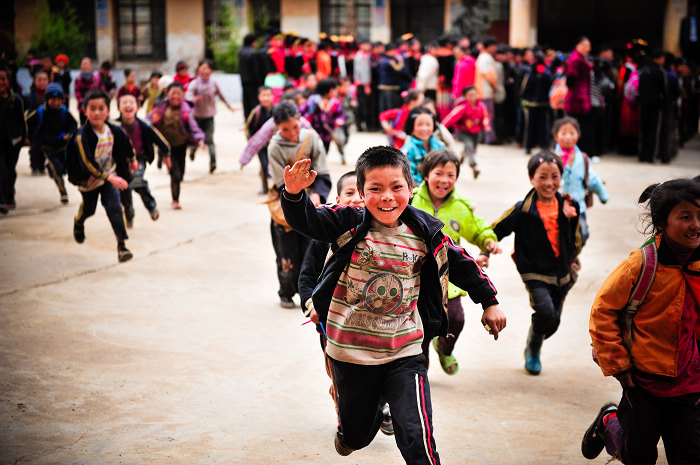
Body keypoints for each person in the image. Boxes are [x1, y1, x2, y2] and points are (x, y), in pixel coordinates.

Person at [280, 146, 506, 462]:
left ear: (410, 189)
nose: (387, 197)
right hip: (351, 354)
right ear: (361, 193)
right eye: (376, 189)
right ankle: (352, 430)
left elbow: (461, 263)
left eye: (396, 187)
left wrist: (489, 301)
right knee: (357, 435)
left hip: (405, 351)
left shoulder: (426, 232)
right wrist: (293, 194)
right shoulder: (347, 222)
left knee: (416, 434)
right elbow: (309, 221)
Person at [582, 178, 700, 464]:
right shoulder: (641, 265)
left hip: (690, 383)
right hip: (643, 383)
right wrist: (618, 363)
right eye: (685, 217)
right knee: (638, 455)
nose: (696, 224)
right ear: (661, 222)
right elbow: (603, 311)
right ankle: (609, 423)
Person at [410, 149, 501, 375]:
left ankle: (444, 348)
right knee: (421, 333)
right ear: (426, 175)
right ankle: (421, 373)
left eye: (451, 175)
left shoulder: (460, 207)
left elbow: (477, 229)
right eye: (438, 173)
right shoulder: (411, 200)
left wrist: (487, 242)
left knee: (456, 320)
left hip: (448, 280)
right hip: (417, 280)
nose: (444, 180)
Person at [490, 152, 581, 375]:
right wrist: (486, 250)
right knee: (545, 313)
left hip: (562, 271)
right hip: (534, 271)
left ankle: (535, 336)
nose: (549, 183)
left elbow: (576, 237)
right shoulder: (522, 209)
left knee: (553, 321)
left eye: (554, 176)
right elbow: (494, 230)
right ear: (531, 178)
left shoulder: (568, 205)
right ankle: (533, 348)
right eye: (542, 177)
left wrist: (573, 257)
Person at [267, 101, 331, 308]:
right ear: (278, 127)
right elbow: (281, 183)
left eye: (295, 127)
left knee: (310, 249)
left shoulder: (312, 138)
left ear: (300, 121)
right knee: (286, 252)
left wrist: (318, 195)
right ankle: (286, 291)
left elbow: (323, 172)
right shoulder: (275, 147)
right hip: (286, 202)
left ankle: (309, 293)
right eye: (285, 129)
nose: (292, 133)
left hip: (312, 203)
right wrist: (298, 195)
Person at [67, 90, 136, 263]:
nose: (97, 113)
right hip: (89, 181)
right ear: (85, 111)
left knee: (115, 207)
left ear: (108, 111)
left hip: (108, 178)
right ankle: (79, 221)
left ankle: (122, 246)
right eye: (92, 108)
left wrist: (132, 159)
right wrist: (110, 178)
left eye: (101, 108)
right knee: (89, 209)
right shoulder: (82, 136)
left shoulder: (113, 130)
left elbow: (126, 143)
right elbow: (87, 164)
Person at [552, 117, 609, 246]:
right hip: (556, 206)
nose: (568, 137)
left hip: (578, 206)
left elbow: (592, 178)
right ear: (556, 136)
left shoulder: (582, 158)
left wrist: (603, 194)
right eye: (564, 133)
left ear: (578, 135)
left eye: (572, 133)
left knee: (582, 233)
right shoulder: (552, 158)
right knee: (558, 235)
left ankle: (573, 253)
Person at [149, 82, 205, 209]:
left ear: (183, 95)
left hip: (181, 146)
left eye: (179, 93)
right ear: (167, 93)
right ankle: (175, 200)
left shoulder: (186, 111)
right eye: (173, 93)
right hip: (166, 148)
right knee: (175, 174)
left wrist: (200, 140)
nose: (175, 96)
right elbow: (147, 121)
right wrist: (153, 121)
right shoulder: (161, 108)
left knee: (180, 174)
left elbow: (194, 128)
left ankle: (175, 189)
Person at [116, 93, 169, 225]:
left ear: (138, 107)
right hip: (120, 162)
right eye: (124, 102)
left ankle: (151, 206)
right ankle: (129, 213)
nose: (128, 105)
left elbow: (160, 141)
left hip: (139, 159)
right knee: (124, 190)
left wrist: (166, 155)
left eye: (131, 102)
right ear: (118, 108)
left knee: (137, 180)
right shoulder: (114, 126)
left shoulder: (144, 125)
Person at [25, 82, 77, 204]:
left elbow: (73, 125)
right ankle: (63, 193)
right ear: (47, 99)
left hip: (62, 147)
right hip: (47, 146)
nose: (56, 102)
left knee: (62, 169)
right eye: (53, 99)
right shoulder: (40, 112)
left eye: (58, 99)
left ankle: (51, 169)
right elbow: (27, 124)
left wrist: (69, 135)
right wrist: (28, 138)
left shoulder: (64, 111)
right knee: (57, 170)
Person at [185, 59, 235, 173]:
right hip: (196, 116)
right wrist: (194, 98)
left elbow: (221, 95)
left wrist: (230, 107)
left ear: (211, 70)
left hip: (209, 116)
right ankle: (193, 150)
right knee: (196, 138)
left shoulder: (213, 83)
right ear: (199, 70)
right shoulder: (195, 83)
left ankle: (213, 162)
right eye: (203, 68)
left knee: (209, 139)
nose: (205, 71)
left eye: (207, 68)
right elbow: (187, 95)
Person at [442, 85, 491, 179]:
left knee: (473, 148)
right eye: (470, 95)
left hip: (476, 132)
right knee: (470, 146)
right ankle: (474, 166)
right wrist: (442, 127)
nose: (473, 97)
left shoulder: (481, 106)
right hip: (463, 132)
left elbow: (485, 117)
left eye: (474, 94)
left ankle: (463, 155)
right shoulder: (462, 107)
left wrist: (486, 125)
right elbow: (451, 117)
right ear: (465, 96)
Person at [0, 66, 26, 214]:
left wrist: (24, 138)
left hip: (13, 142)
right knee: (2, 170)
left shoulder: (16, 100)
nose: (1, 82)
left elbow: (22, 121)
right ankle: (3, 200)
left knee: (10, 171)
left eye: (3, 79)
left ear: (8, 81)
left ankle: (10, 196)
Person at [299, 77, 345, 160]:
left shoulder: (335, 102)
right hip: (314, 131)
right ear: (327, 90)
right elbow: (302, 110)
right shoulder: (313, 100)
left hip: (327, 133)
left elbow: (339, 114)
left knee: (325, 150)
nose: (335, 91)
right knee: (314, 151)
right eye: (333, 89)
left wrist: (340, 119)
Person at [400, 107, 445, 184]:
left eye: (428, 124)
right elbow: (407, 178)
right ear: (411, 126)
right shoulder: (407, 150)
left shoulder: (440, 146)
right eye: (420, 124)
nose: (424, 129)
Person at [564, 37, 594, 155]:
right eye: (585, 45)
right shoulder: (576, 60)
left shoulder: (579, 58)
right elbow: (571, 79)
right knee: (579, 127)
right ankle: (580, 152)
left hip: (581, 98)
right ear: (578, 45)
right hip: (578, 100)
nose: (588, 49)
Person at [638, 49, 668, 164]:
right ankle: (650, 156)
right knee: (653, 131)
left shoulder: (644, 70)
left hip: (644, 104)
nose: (663, 60)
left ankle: (642, 155)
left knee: (644, 130)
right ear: (657, 59)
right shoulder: (659, 71)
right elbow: (664, 90)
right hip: (655, 105)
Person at [244, 86, 275, 194]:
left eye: (268, 95)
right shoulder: (256, 112)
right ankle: (264, 186)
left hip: (274, 145)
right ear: (259, 97)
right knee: (264, 165)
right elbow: (249, 128)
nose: (266, 98)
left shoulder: (277, 111)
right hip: (261, 146)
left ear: (273, 96)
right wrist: (252, 141)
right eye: (263, 95)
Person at [522, 53, 552, 154]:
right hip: (537, 103)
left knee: (536, 126)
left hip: (538, 102)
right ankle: (535, 145)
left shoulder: (533, 71)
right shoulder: (538, 71)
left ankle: (533, 146)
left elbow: (525, 87)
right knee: (537, 126)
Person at [24, 70, 50, 175]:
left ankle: (41, 166)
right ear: (34, 81)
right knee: (34, 148)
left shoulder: (50, 95)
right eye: (39, 80)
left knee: (44, 148)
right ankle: (34, 166)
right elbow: (26, 114)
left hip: (46, 127)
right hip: (33, 127)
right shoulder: (30, 96)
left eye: (44, 80)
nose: (42, 82)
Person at [474, 38, 499, 144]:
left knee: (483, 115)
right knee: (487, 115)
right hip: (485, 91)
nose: (495, 49)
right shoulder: (486, 58)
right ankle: (489, 138)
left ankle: (483, 138)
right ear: (489, 47)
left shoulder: (482, 57)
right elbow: (490, 76)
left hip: (481, 91)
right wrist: (495, 86)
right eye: (494, 46)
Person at [74, 57, 102, 126]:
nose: (86, 66)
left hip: (94, 106)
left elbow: (100, 90)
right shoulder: (78, 79)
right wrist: (84, 103)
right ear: (81, 66)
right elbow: (77, 93)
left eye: (88, 64)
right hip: (83, 107)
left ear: (91, 66)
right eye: (84, 64)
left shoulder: (96, 78)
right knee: (84, 125)